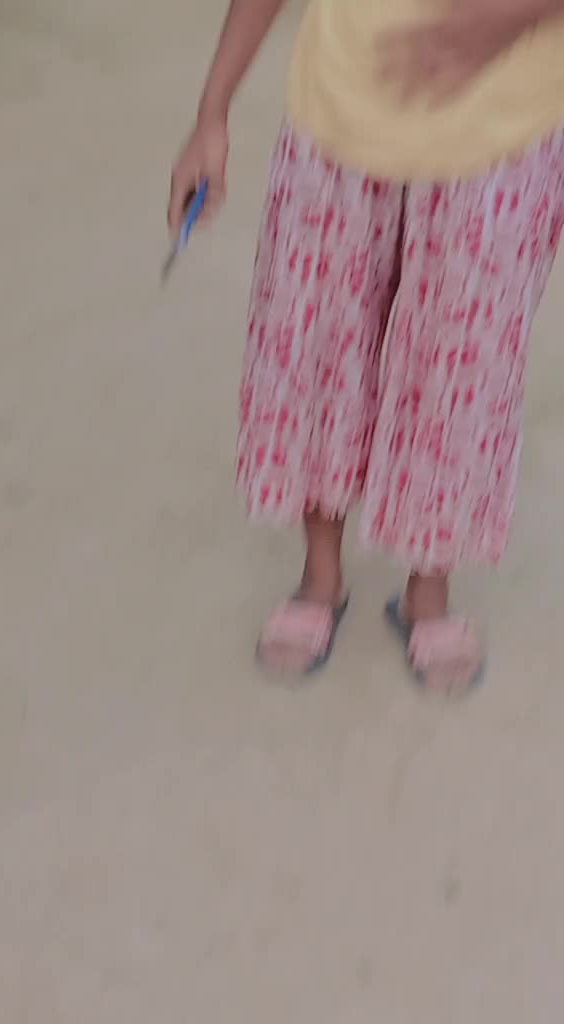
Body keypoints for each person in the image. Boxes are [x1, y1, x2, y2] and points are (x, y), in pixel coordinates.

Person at [168, 0, 564, 693]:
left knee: (460, 364)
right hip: (341, 113)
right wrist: (211, 114)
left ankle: (428, 591)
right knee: (314, 343)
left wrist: (504, 19)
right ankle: (321, 576)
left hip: (499, 135)